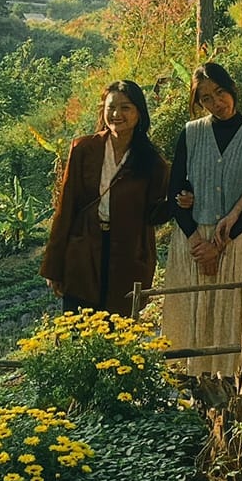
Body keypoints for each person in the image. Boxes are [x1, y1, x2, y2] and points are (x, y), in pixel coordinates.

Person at [163, 62, 242, 376]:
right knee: (192, 314)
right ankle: (189, 385)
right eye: (206, 98)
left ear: (232, 89)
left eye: (220, 92)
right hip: (191, 241)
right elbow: (175, 191)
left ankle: (228, 385)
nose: (216, 102)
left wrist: (220, 245)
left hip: (233, 242)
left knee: (230, 316)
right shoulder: (191, 133)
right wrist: (198, 242)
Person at [42, 79, 169, 316]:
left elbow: (155, 214)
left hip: (127, 257)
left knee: (118, 330)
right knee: (80, 328)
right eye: (111, 107)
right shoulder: (83, 149)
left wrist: (180, 201)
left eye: (125, 108)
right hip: (84, 251)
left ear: (139, 113)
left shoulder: (152, 162)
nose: (116, 114)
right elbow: (66, 208)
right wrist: (54, 266)